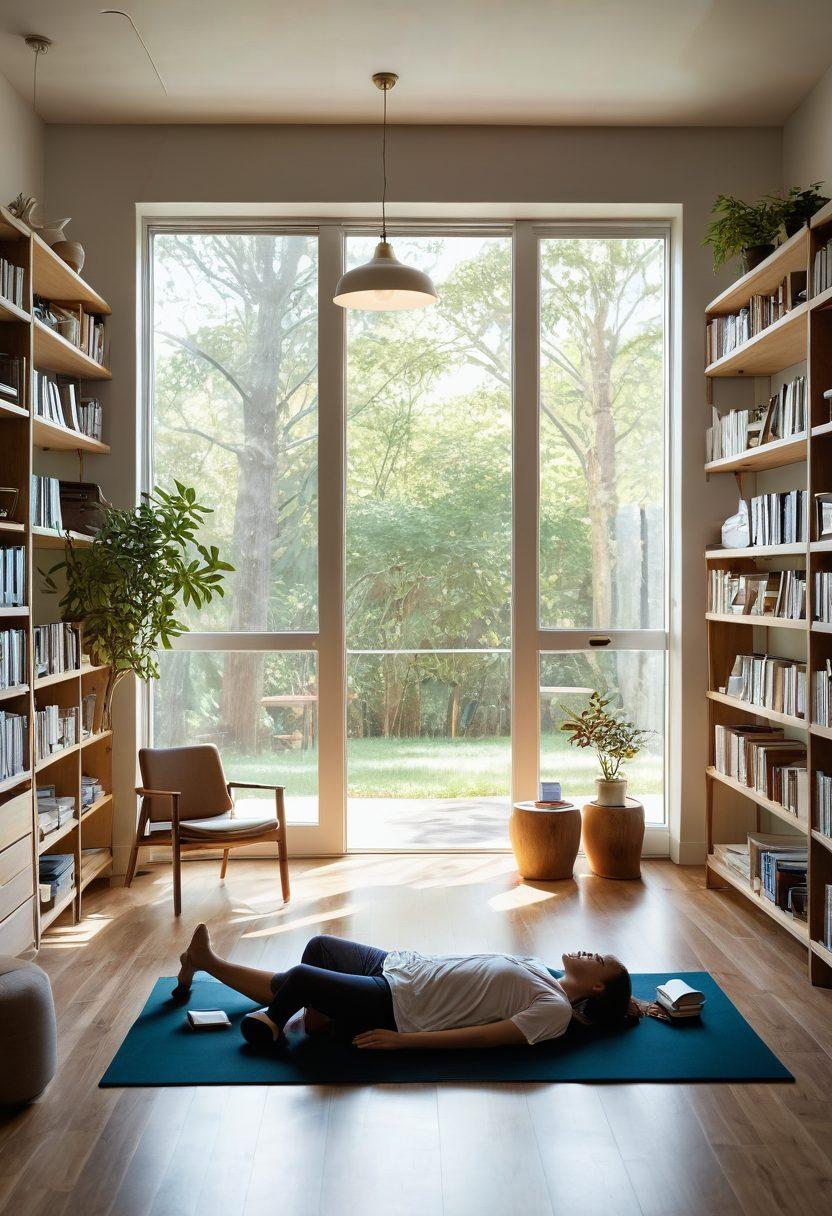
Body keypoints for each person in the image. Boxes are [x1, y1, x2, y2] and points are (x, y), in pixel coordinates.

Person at [175, 925, 662, 1050]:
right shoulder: (540, 970)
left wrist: (404, 1043)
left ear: (597, 988)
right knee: (319, 948)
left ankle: (273, 1018)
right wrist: (638, 1005)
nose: (589, 951)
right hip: (399, 966)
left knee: (301, 979)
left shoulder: (553, 1011)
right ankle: (310, 1018)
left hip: (399, 1005)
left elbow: (485, 1038)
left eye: (599, 960)